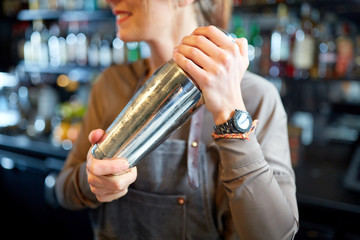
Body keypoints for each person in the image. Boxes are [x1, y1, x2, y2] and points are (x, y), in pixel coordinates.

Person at [55, 0, 299, 239]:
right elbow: (63, 191)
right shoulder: (110, 83)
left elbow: (278, 235)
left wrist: (230, 113)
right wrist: (94, 182)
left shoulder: (256, 97)